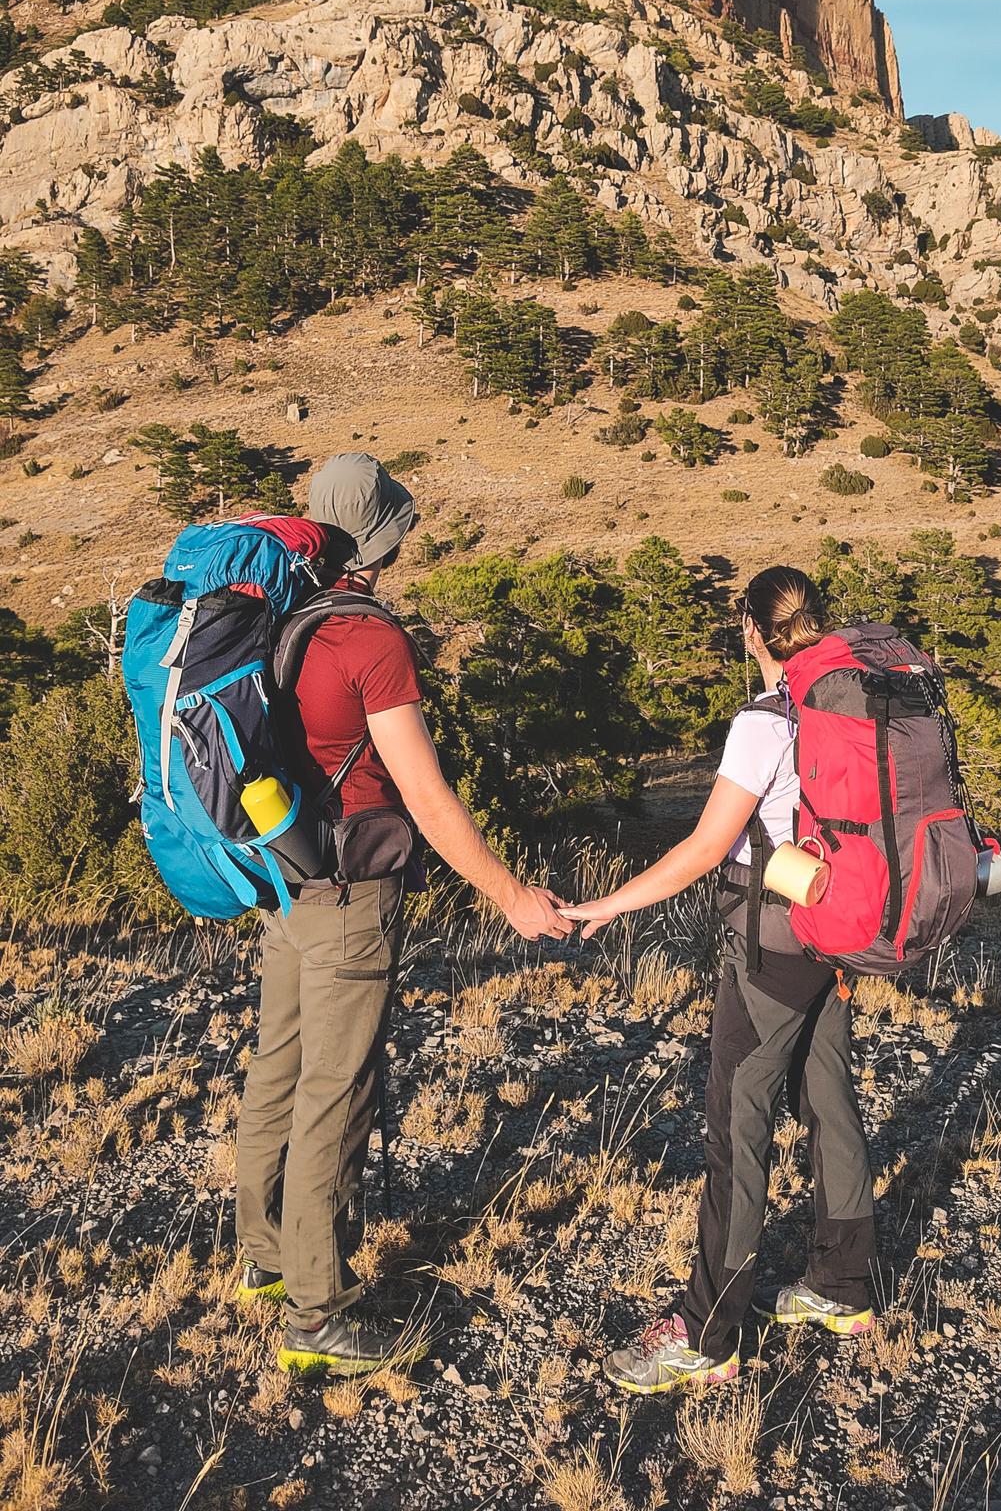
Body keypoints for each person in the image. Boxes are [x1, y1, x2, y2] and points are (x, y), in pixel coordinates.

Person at [235, 452, 568, 1376]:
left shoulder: (277, 614)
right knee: (333, 1093)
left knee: (278, 1068)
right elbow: (425, 797)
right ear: (382, 536)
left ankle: (263, 1258)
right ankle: (318, 1313)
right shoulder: (369, 639)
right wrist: (509, 895)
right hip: (350, 890)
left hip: (284, 873)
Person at [562, 566, 876, 1394]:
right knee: (828, 1102)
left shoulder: (764, 722)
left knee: (735, 1129)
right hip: (836, 934)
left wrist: (611, 904)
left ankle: (706, 1332)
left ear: (751, 630)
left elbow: (705, 849)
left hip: (769, 943)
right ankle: (842, 1287)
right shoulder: (853, 704)